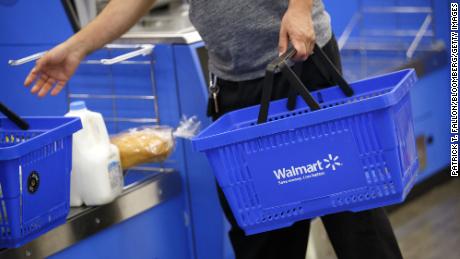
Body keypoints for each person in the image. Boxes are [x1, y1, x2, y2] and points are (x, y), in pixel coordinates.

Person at [24, 0, 404, 258]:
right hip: (236, 89)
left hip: (304, 65)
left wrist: (301, 7)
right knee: (262, 231)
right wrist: (77, 48)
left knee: (354, 215)